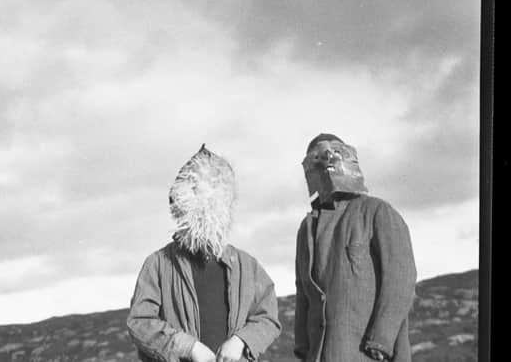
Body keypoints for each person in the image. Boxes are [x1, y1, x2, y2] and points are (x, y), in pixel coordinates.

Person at [127, 144, 281, 362]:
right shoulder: (158, 265)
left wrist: (241, 341)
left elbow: (268, 317)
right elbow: (139, 322)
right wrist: (189, 348)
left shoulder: (247, 266)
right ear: (180, 204)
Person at [294, 134, 417, 362]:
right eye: (317, 158)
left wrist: (382, 339)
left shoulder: (377, 212)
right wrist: (302, 346)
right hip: (319, 353)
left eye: (335, 153)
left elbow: (401, 278)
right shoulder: (307, 227)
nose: (328, 161)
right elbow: (303, 291)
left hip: (367, 352)